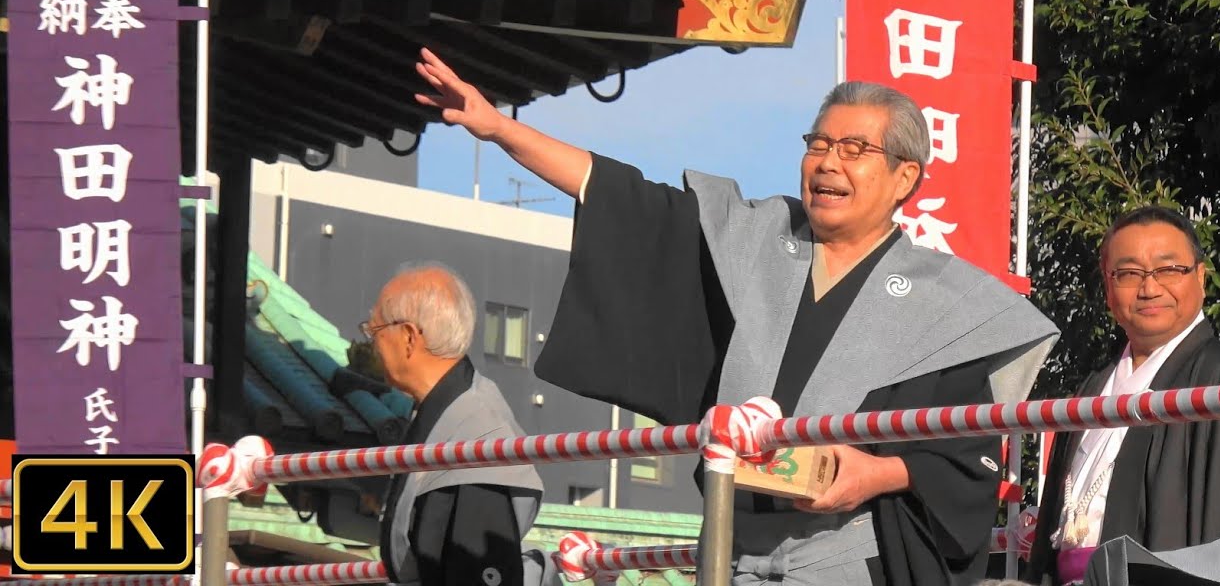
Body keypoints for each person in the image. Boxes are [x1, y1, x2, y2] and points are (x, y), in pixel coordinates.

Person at [411, 48, 1061, 585]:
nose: (828, 163)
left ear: (904, 176)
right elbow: (621, 195)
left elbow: (964, 457)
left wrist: (880, 472)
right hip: (730, 544)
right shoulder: (754, 238)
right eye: (819, 144)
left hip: (846, 554)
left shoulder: (943, 301)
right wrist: (498, 129)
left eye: (855, 148)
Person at [1025, 206, 1220, 586]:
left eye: (1168, 269)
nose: (1149, 288)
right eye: (1129, 273)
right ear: (1108, 289)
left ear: (1200, 278)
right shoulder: (1094, 389)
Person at [366, 262, 548, 586]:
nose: (372, 344)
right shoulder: (449, 411)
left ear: (408, 337)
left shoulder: (475, 432)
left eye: (374, 331)